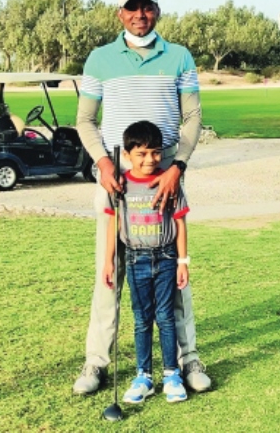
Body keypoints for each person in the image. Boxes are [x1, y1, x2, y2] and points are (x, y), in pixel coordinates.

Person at [73, 0, 210, 395]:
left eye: (146, 7)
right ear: (120, 14)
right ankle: (97, 362)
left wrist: (178, 167)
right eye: (131, 8)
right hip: (117, 175)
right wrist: (101, 162)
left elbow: (192, 119)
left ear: (157, 10)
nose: (139, 14)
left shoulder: (180, 57)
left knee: (174, 269)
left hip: (166, 172)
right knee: (110, 272)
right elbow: (85, 121)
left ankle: (187, 360)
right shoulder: (99, 60)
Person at [102, 120, 192, 404]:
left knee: (165, 317)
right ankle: (144, 375)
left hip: (165, 257)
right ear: (127, 155)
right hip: (134, 258)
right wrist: (108, 262)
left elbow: (180, 223)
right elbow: (112, 225)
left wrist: (182, 261)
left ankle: (171, 374)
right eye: (141, 154)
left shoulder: (170, 181)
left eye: (155, 152)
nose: (150, 159)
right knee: (142, 319)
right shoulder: (120, 185)